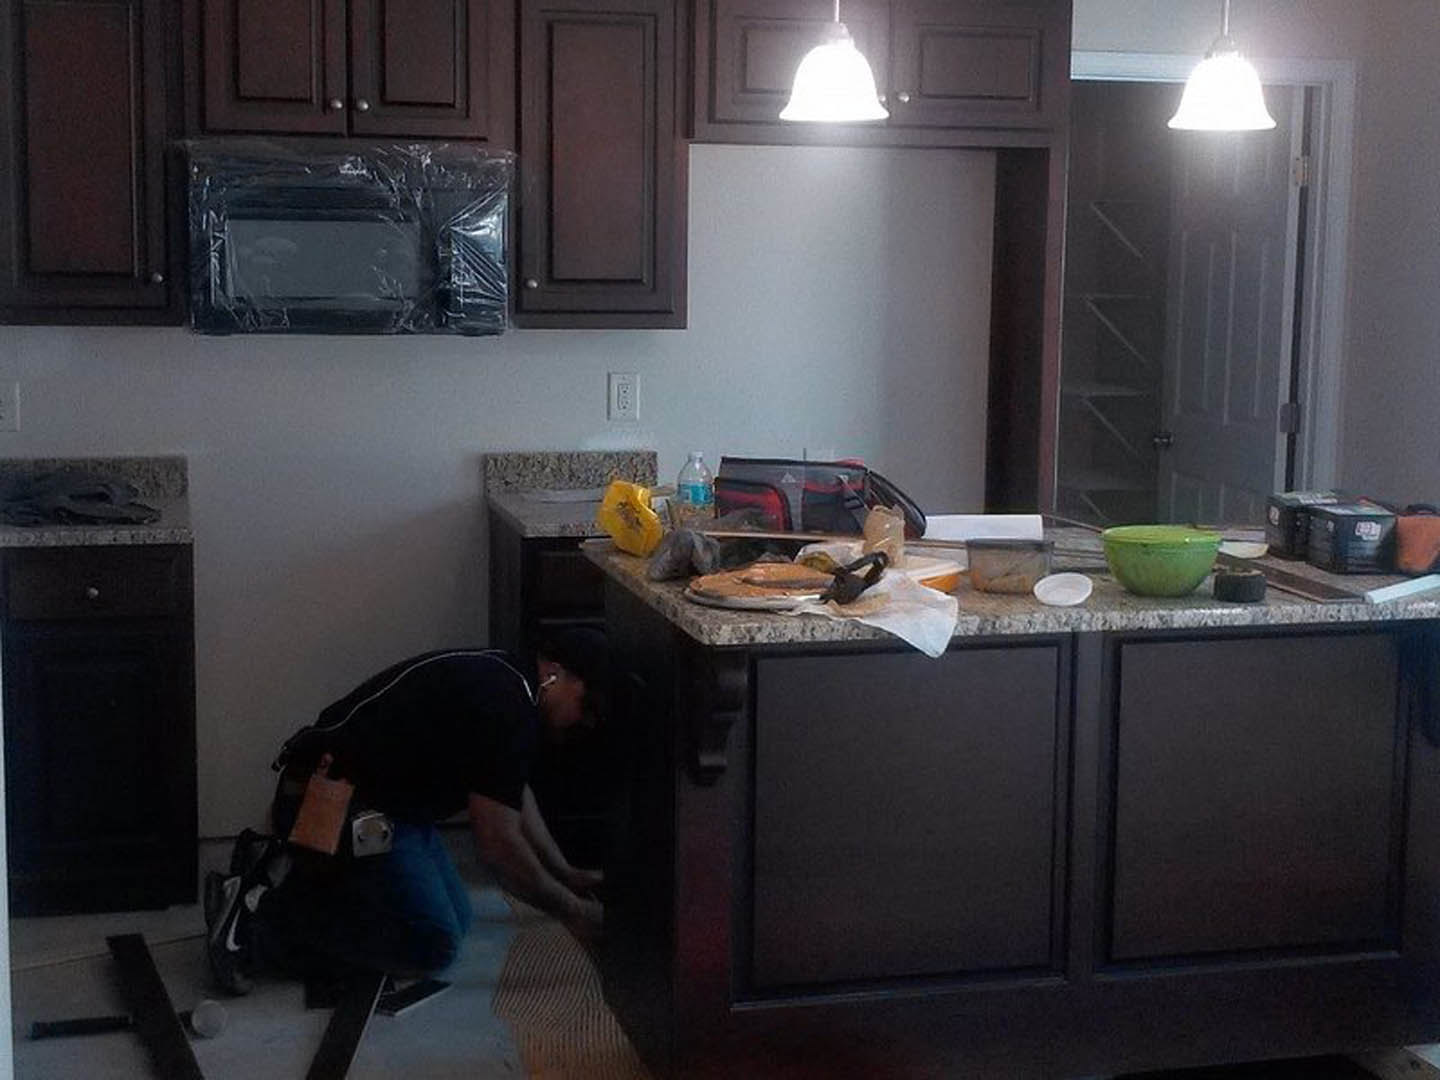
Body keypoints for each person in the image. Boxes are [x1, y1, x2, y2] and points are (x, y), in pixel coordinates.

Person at [204, 629, 609, 995]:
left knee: (459, 918)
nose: (583, 721)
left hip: (390, 805)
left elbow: (512, 795)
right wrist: (571, 910)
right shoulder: (508, 706)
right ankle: (257, 928)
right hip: (334, 802)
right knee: (433, 944)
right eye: (585, 704)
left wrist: (564, 872)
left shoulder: (511, 684)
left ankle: (284, 881)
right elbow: (499, 844)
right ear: (555, 673)